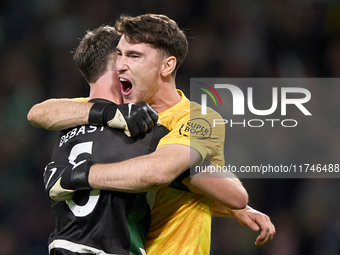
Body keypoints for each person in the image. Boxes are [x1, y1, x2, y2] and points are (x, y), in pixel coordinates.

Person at [28, 14, 275, 254]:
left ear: (167, 66)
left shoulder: (197, 119)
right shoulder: (119, 112)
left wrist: (76, 175)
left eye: (134, 56)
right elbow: (40, 112)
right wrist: (105, 113)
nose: (121, 65)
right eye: (119, 55)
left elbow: (160, 172)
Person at [38, 25, 171, 255]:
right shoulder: (144, 131)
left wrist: (75, 176)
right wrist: (239, 208)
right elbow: (223, 189)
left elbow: (36, 113)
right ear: (116, 66)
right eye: (127, 56)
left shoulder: (67, 121)